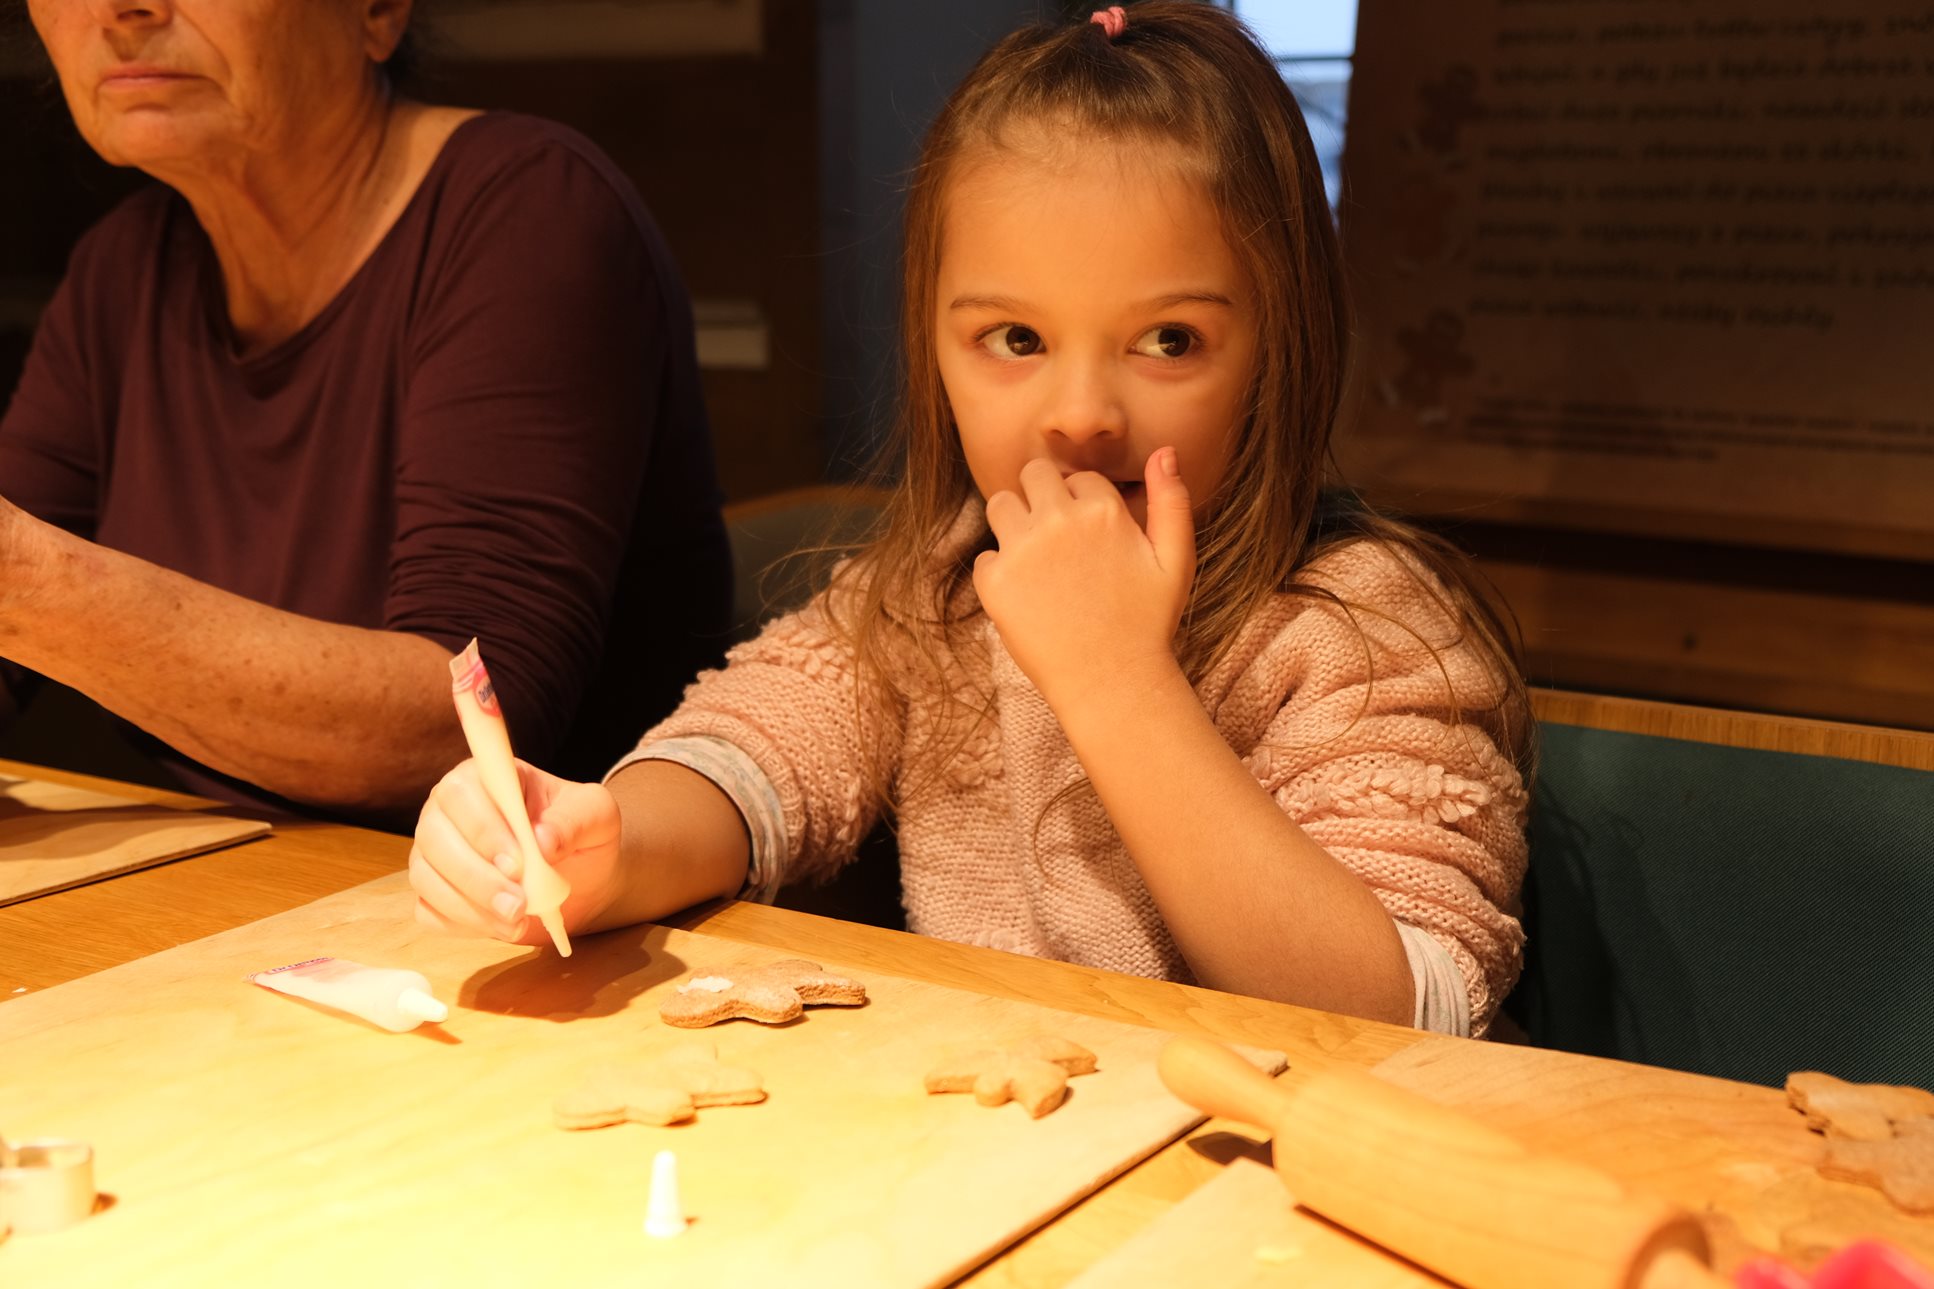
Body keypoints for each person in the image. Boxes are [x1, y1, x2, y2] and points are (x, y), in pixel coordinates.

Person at [412, 3, 1533, 1035]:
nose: (1081, 414)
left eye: (1169, 341)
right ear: (937, 352)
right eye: (1015, 340)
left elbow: (1413, 1012)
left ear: (1283, 350)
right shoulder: (934, 588)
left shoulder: (1365, 626)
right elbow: (751, 755)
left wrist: (1116, 679)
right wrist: (599, 842)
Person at [0, 0, 732, 826]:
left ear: (378, 9)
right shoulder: (122, 270)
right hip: (248, 879)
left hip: (522, 893)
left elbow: (470, 730)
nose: (121, 8)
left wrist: (30, 581)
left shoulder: (532, 210)